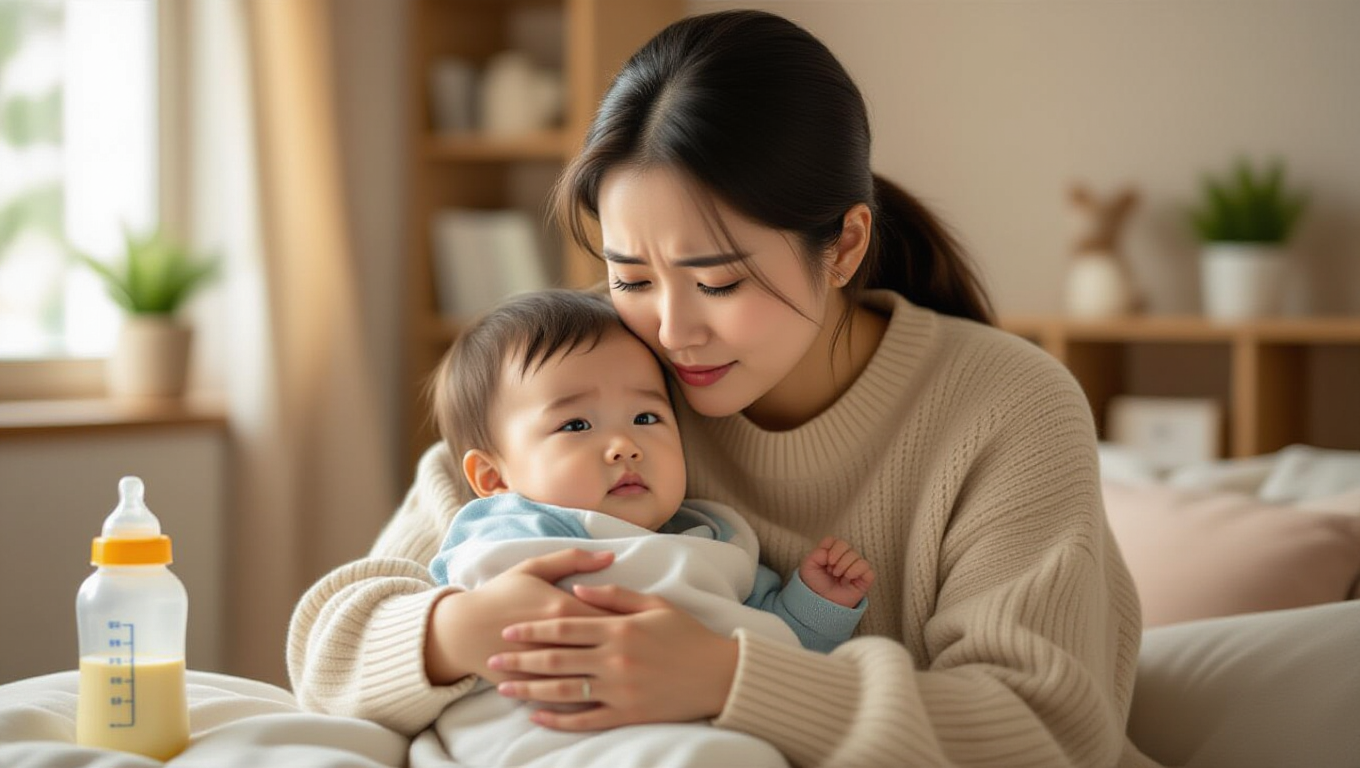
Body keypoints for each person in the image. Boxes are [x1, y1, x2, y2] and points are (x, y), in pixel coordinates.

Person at [289, 9, 1151, 768]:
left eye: (719, 282)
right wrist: (455, 631)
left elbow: (1043, 729)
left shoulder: (1006, 404)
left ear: (846, 246)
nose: (670, 330)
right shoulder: (589, 368)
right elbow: (330, 648)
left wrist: (725, 676)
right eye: (631, 276)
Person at [417, 289, 873, 766]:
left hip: (679, 735)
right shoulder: (514, 530)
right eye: (576, 426)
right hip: (542, 735)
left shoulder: (717, 542)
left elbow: (776, 655)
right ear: (493, 478)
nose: (624, 445)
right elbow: (473, 593)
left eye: (645, 417)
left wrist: (815, 605)